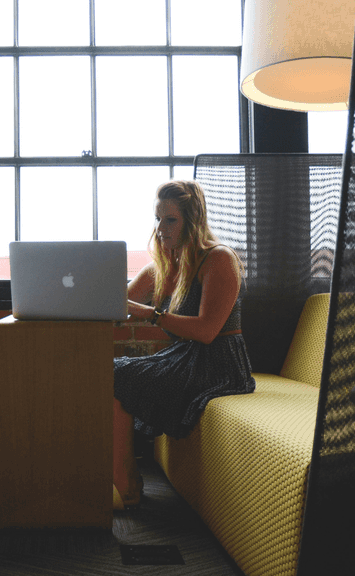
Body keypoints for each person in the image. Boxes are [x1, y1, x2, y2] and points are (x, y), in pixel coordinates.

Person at [112, 179, 256, 508]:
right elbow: (116, 304)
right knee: (112, 372)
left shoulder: (219, 259)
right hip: (183, 357)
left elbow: (207, 331)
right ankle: (124, 477)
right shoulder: (163, 266)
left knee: (118, 374)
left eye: (170, 220)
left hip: (219, 363)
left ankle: (125, 483)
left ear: (192, 221)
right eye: (158, 219)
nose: (161, 228)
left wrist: (151, 314)